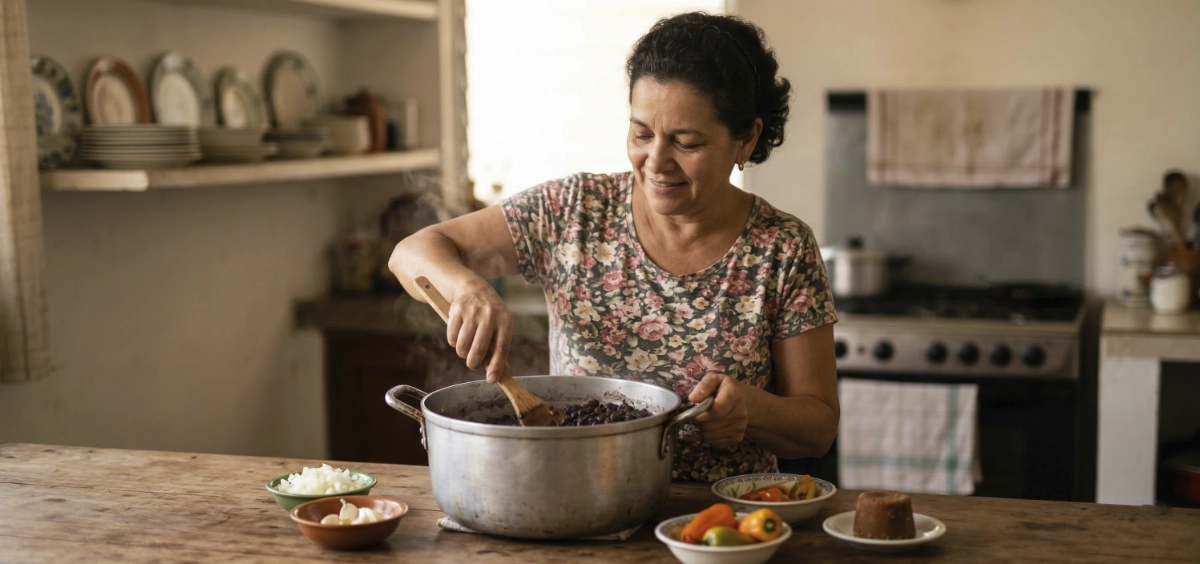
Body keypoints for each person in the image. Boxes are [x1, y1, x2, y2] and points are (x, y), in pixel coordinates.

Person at [390, 12, 839, 481]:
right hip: (579, 497)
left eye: (686, 142)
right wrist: (467, 288)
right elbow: (413, 251)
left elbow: (818, 428)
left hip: (720, 521)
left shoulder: (782, 248)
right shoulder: (573, 210)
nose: (656, 161)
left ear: (746, 138)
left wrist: (751, 409)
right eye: (642, 133)